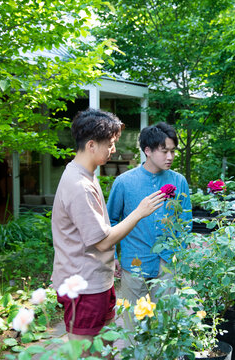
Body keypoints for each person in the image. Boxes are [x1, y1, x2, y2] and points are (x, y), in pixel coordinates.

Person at [51, 109, 165, 351]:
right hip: (84, 286)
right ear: (91, 145)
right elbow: (102, 241)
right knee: (85, 353)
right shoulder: (79, 184)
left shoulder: (85, 175)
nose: (113, 149)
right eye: (110, 144)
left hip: (96, 281)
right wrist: (139, 211)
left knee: (105, 350)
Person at [107, 122, 192, 307]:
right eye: (164, 151)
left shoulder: (179, 181)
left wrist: (180, 253)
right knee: (132, 322)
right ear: (148, 150)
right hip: (135, 261)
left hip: (168, 262)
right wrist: (112, 255)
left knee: (165, 323)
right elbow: (111, 220)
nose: (170, 157)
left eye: (173, 151)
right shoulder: (124, 182)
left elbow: (185, 221)